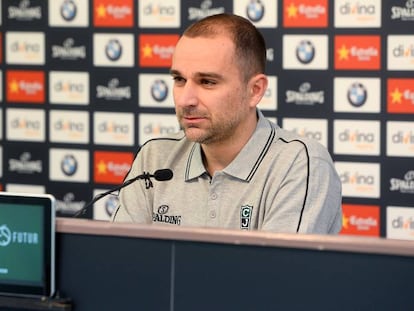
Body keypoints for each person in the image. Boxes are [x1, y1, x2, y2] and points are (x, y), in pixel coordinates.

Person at [112, 13, 342, 234]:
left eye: (207, 82)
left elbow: (278, 272)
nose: (185, 100)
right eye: (179, 79)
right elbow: (122, 263)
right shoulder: (154, 157)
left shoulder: (299, 163)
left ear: (255, 90)